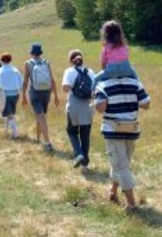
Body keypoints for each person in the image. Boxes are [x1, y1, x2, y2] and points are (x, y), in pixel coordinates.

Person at [94, 75, 150, 214]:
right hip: (131, 130)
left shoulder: (104, 84)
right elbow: (146, 105)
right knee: (120, 164)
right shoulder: (135, 83)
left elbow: (100, 108)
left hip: (113, 131)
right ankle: (113, 192)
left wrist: (97, 97)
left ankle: (131, 205)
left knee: (121, 166)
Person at [22, 42, 59, 152]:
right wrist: (56, 95)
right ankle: (38, 137)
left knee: (41, 117)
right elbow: (52, 80)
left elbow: (25, 81)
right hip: (46, 92)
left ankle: (47, 143)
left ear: (31, 53)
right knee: (41, 115)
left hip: (35, 92)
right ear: (40, 53)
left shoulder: (28, 64)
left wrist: (23, 95)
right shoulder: (46, 62)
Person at [62, 49, 95, 169]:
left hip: (74, 105)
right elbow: (95, 90)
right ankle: (85, 164)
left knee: (72, 131)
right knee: (85, 134)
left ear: (71, 60)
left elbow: (66, 88)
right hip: (88, 105)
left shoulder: (69, 71)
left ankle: (79, 153)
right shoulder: (90, 72)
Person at [92, 20, 137, 89]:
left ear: (106, 33)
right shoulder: (124, 46)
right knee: (136, 78)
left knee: (95, 79)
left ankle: (92, 93)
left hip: (112, 71)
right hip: (126, 69)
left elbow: (103, 62)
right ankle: (140, 91)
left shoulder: (106, 47)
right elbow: (126, 57)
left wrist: (105, 70)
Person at [0, 53, 23, 138]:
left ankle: (15, 133)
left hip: (4, 95)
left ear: (1, 60)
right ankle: (5, 129)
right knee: (10, 112)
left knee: (9, 114)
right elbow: (21, 82)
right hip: (15, 94)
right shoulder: (15, 70)